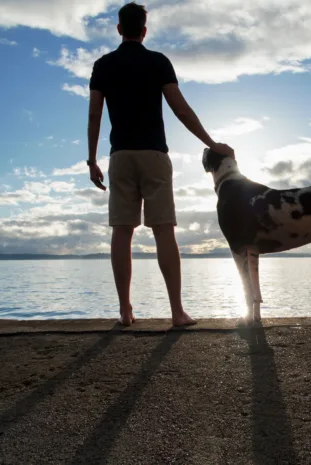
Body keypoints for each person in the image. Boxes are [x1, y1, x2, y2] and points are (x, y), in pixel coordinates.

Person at [86, 1, 235, 327]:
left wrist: (92, 159)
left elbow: (95, 113)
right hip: (154, 155)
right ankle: (177, 312)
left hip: (121, 156)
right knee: (164, 230)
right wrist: (212, 143)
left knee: (121, 231)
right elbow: (181, 109)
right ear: (144, 30)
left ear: (119, 29)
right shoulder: (157, 62)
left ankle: (125, 311)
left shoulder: (103, 65)